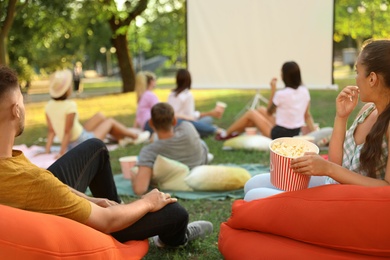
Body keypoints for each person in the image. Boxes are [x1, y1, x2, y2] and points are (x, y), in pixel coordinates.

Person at [0, 65, 213, 248]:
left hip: (34, 198)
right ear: (16, 110)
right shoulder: (31, 182)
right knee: (176, 213)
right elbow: (106, 220)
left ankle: (122, 212)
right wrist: (148, 203)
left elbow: (45, 183)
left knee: (96, 148)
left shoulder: (17, 169)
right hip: (53, 224)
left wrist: (93, 199)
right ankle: (166, 236)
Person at [244, 39, 390, 201]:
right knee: (252, 184)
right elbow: (336, 162)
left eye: (357, 72)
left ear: (372, 79)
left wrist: (328, 169)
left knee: (253, 196)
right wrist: (341, 118)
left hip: (350, 200)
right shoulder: (368, 110)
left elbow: (387, 188)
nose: (355, 79)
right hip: (335, 185)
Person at [45, 69, 150, 157]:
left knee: (100, 116)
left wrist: (47, 150)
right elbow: (67, 131)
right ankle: (135, 137)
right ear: (67, 89)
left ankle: (121, 138)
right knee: (110, 122)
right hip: (82, 142)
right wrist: (62, 153)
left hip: (76, 137)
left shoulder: (48, 106)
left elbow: (51, 131)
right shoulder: (70, 106)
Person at [216, 61, 316, 140]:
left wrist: (273, 89)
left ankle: (225, 134)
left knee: (251, 113)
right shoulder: (304, 91)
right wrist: (314, 134)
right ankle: (235, 133)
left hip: (279, 134)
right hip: (295, 131)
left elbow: (269, 112)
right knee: (260, 110)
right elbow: (307, 115)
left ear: (284, 76)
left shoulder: (281, 94)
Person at [131, 102, 210, 195]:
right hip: (200, 162)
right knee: (202, 141)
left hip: (181, 175)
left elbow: (140, 189)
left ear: (151, 123)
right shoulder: (187, 127)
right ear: (174, 121)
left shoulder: (149, 151)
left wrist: (133, 176)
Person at [168, 69, 223, 138]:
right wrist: (209, 113)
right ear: (189, 80)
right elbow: (191, 117)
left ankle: (201, 131)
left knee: (203, 121)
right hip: (183, 123)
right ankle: (214, 130)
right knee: (208, 119)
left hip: (171, 124)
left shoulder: (172, 94)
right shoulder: (187, 94)